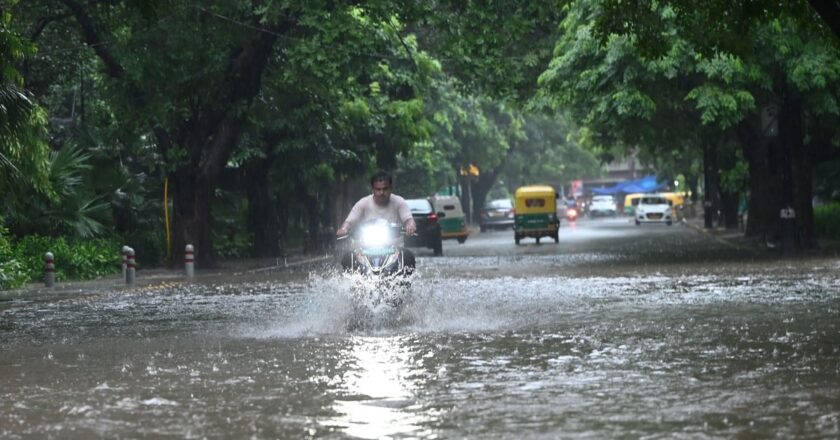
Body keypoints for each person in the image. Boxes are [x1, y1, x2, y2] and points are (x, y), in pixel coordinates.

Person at [336, 170, 417, 271]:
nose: (381, 193)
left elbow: (408, 219)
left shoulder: (399, 202)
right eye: (378, 189)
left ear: (391, 188)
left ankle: (404, 284)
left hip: (394, 251)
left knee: (408, 257)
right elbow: (349, 221)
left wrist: (410, 226)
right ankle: (352, 284)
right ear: (372, 190)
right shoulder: (363, 203)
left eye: (385, 189)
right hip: (365, 250)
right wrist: (344, 229)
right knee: (348, 258)